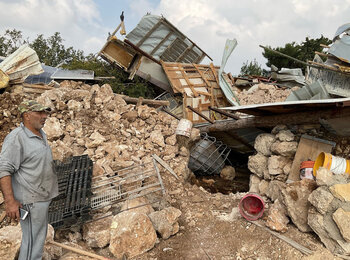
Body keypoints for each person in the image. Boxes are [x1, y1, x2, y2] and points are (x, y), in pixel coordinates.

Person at [0, 100, 58, 260]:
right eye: (40, 113)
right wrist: (10, 202)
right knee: (32, 241)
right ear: (26, 115)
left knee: (37, 239)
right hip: (31, 200)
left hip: (42, 197)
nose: (44, 116)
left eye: (45, 113)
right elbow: (3, 169)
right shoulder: (16, 138)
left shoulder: (39, 133)